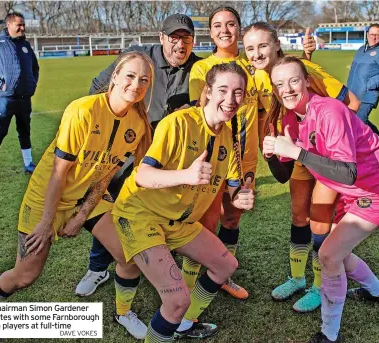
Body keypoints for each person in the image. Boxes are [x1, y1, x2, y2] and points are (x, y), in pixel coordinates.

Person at [0, 51, 154, 330]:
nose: (136, 84)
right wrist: (48, 222)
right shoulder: (83, 110)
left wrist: (81, 214)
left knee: (128, 254)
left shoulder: (136, 124)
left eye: (144, 80)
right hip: (47, 196)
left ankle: (123, 313)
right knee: (24, 276)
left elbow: (105, 176)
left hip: (86, 195)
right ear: (115, 77)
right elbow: (59, 173)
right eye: (130, 76)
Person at [263, 56, 379, 343]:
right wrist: (270, 153)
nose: (288, 89)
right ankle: (377, 292)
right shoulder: (293, 120)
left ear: (307, 81)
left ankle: (330, 335)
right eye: (279, 84)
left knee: (328, 254)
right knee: (336, 251)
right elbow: (283, 174)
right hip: (358, 190)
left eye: (294, 80)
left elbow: (346, 172)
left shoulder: (329, 110)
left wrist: (297, 153)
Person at [112, 62, 254, 342]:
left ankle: (185, 324)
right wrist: (186, 174)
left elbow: (234, 187)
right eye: (223, 90)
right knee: (176, 300)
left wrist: (242, 196)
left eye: (238, 93)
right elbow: (143, 175)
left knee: (226, 266)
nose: (231, 100)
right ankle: (158, 318)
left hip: (179, 221)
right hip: (140, 214)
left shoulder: (227, 135)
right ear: (208, 92)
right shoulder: (178, 123)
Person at [76, 14, 202, 298]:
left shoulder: (199, 69)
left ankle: (154, 263)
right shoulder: (138, 59)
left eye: (186, 38)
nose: (180, 44)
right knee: (115, 206)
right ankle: (98, 268)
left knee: (157, 212)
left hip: (167, 160)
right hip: (128, 152)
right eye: (174, 37)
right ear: (161, 38)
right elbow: (97, 88)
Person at [243, 22, 360, 312]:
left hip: (323, 155)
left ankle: (320, 286)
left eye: (262, 46)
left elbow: (353, 103)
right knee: (298, 215)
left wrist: (323, 135)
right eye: (250, 48)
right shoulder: (255, 78)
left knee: (319, 218)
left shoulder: (307, 71)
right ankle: (297, 278)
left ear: (277, 44)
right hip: (296, 153)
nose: (256, 54)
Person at [183, 5, 258, 301]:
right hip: (215, 159)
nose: (224, 30)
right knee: (205, 222)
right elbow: (198, 113)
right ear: (210, 32)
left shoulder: (254, 65)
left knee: (232, 219)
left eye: (230, 24)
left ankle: (223, 275)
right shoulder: (202, 68)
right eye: (217, 25)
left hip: (247, 160)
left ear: (239, 28)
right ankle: (188, 286)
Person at [0, 12, 39, 182]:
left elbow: (35, 68)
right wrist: (1, 84)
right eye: (19, 25)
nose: (22, 28)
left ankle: (28, 163)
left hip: (24, 97)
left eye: (23, 25)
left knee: (24, 130)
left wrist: (32, 84)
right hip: (5, 99)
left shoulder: (26, 45)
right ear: (9, 24)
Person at [347, 23, 379, 143]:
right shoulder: (361, 49)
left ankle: (375, 147)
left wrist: (370, 84)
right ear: (367, 35)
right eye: (371, 34)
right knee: (354, 118)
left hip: (368, 94)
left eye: (377, 35)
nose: (374, 37)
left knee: (359, 119)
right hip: (353, 92)